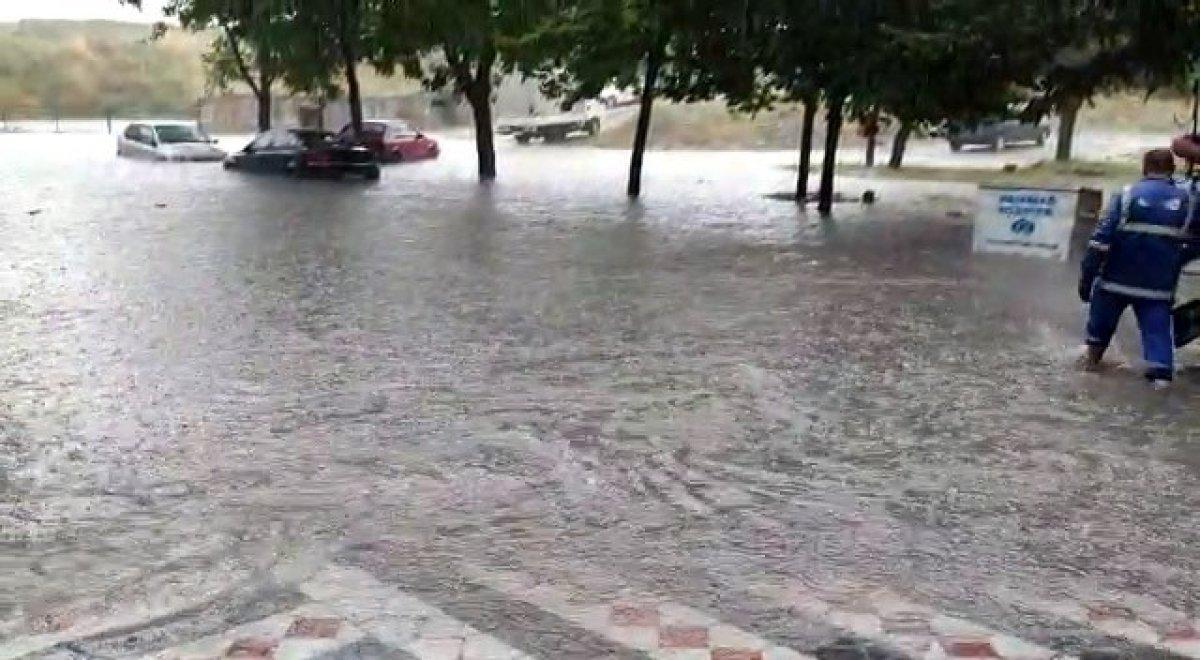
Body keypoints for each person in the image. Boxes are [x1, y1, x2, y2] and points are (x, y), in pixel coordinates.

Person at [1079, 148, 1191, 387]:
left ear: (1144, 168)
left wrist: (1086, 280)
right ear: (1172, 169)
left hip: (1113, 283)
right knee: (1159, 345)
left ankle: (1091, 366)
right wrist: (1174, 261)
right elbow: (1195, 242)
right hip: (1157, 290)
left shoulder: (1126, 196)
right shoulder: (1188, 202)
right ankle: (1160, 389)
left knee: (1096, 339)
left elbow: (1099, 243)